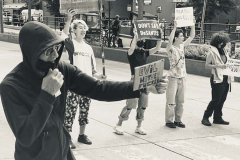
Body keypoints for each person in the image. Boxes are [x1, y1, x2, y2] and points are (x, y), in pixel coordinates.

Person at [0, 21, 168, 160]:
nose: (54, 55)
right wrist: (46, 95)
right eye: (47, 51)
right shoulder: (11, 86)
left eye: (57, 48)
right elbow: (26, 136)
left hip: (61, 151)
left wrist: (140, 86)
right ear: (32, 53)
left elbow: (98, 88)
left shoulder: (62, 69)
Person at [62, 9, 104, 148]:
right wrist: (69, 19)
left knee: (84, 111)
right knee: (70, 112)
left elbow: (93, 70)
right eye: (80, 28)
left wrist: (98, 76)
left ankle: (81, 135)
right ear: (74, 30)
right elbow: (63, 37)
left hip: (87, 84)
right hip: (74, 84)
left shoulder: (88, 48)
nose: (83, 30)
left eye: (84, 28)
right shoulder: (71, 44)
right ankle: (66, 138)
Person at [113, 27, 163, 135]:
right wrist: (136, 35)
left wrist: (160, 37)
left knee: (143, 105)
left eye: (143, 40)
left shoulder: (145, 52)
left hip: (144, 81)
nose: (142, 42)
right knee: (131, 104)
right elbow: (131, 48)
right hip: (134, 81)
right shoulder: (131, 53)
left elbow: (157, 47)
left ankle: (139, 126)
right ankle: (119, 124)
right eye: (140, 40)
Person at [165, 19, 195, 129]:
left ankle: (178, 120)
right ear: (176, 38)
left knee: (181, 101)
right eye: (181, 36)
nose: (183, 38)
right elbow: (169, 41)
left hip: (182, 77)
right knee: (171, 101)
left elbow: (191, 37)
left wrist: (192, 26)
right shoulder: (170, 49)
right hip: (173, 77)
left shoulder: (181, 47)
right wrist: (174, 28)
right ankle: (169, 121)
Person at [201, 32, 231, 126]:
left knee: (222, 99)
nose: (225, 44)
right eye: (223, 42)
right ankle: (205, 117)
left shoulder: (224, 51)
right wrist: (217, 66)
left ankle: (217, 117)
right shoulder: (212, 52)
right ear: (219, 42)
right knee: (216, 99)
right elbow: (207, 65)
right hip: (217, 77)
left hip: (226, 77)